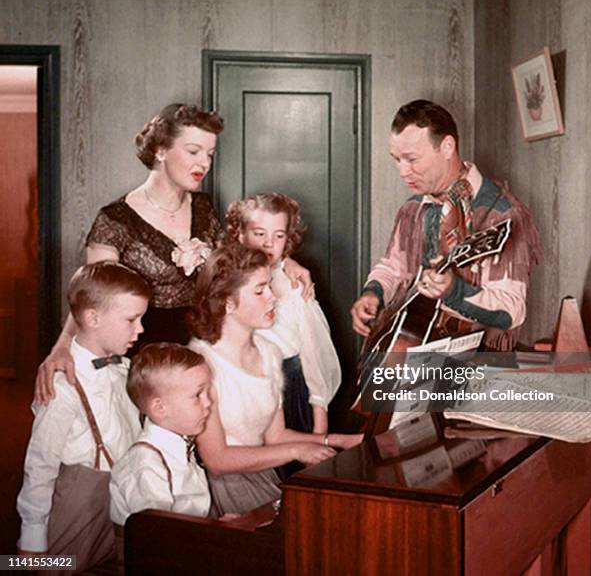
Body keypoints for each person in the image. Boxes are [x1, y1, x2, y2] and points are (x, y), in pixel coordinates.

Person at [35, 103, 312, 403]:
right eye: (194, 151)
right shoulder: (115, 220)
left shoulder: (204, 207)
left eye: (209, 154)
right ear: (161, 150)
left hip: (205, 347)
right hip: (146, 358)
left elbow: (234, 262)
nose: (204, 163)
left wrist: (285, 261)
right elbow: (93, 298)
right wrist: (62, 346)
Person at [351, 99, 543, 351]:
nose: (402, 171)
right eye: (396, 159)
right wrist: (373, 293)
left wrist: (454, 290)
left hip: (476, 362)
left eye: (411, 159)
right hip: (414, 348)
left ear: (447, 147)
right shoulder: (413, 209)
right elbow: (393, 267)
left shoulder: (503, 214)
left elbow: (511, 310)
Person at [187, 243, 362, 515]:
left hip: (262, 477)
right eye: (260, 291)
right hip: (218, 492)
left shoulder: (268, 353)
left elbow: (276, 436)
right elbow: (216, 459)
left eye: (270, 286)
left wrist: (341, 441)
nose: (272, 297)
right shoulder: (203, 362)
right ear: (228, 303)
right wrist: (298, 452)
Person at [16, 261, 149, 570]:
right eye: (132, 319)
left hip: (118, 501)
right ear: (93, 318)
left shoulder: (124, 368)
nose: (140, 329)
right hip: (78, 506)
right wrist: (32, 539)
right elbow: (40, 465)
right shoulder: (62, 387)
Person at [224, 192, 341, 436]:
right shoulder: (224, 279)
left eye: (279, 236)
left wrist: (320, 426)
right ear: (240, 234)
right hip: (242, 390)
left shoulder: (294, 285)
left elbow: (314, 357)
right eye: (259, 234)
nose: (269, 243)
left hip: (290, 390)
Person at [110, 343, 213, 527]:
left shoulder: (179, 443)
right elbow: (159, 536)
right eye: (198, 395)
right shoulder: (146, 464)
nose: (208, 402)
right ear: (159, 408)